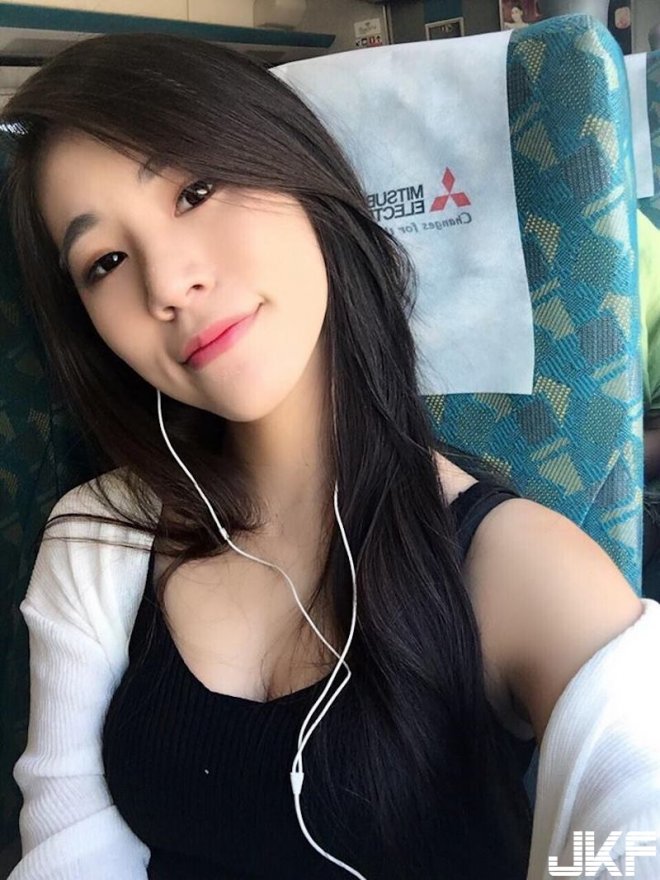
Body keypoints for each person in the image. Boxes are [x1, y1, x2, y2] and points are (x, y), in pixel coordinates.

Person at [1, 31, 658, 880]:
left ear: (302, 176)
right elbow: (69, 849)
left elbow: (632, 826)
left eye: (195, 190)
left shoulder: (517, 565)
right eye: (107, 261)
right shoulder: (100, 535)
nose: (164, 284)